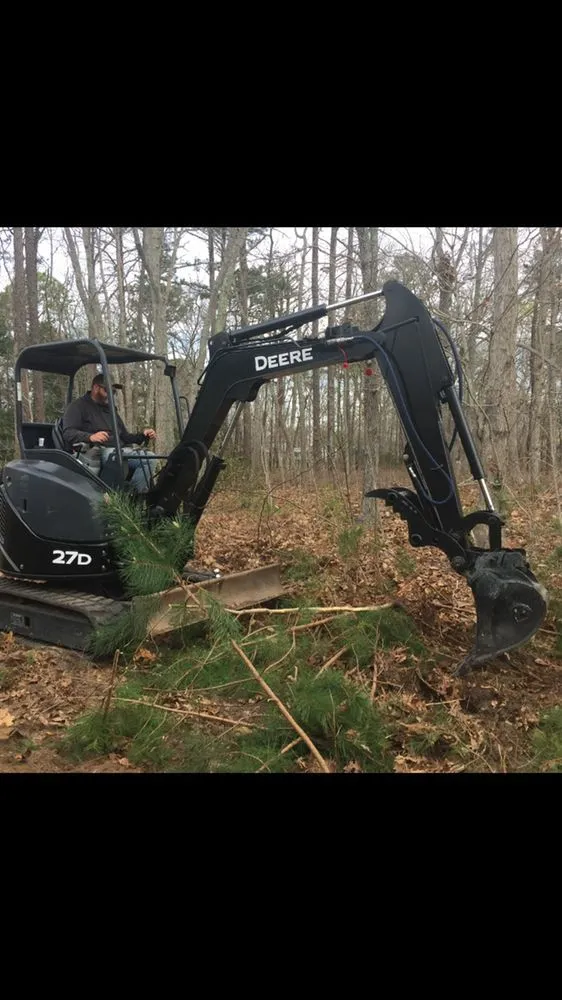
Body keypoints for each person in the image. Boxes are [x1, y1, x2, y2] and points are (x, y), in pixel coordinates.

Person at [62, 373, 157, 490]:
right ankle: (113, 499)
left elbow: (125, 436)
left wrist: (142, 435)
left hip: (120, 450)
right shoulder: (78, 406)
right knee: (115, 457)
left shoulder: (111, 410)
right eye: (108, 390)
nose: (111, 395)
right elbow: (68, 433)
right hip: (96, 451)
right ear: (96, 388)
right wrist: (90, 437)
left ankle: (135, 498)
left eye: (114, 392)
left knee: (149, 458)